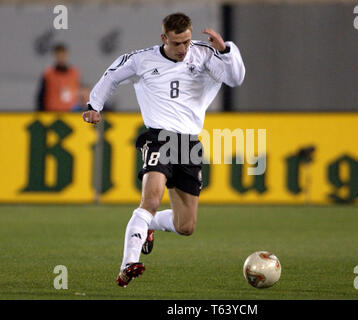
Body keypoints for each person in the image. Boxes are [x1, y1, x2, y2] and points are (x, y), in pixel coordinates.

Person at [82, 12, 245, 287]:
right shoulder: (142, 59)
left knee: (186, 226)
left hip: (190, 144)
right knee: (151, 199)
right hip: (158, 138)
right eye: (177, 43)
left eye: (187, 42)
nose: (183, 49)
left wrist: (226, 50)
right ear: (164, 38)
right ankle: (128, 264)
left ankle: (149, 226)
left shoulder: (204, 55)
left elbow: (235, 78)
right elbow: (112, 75)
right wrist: (93, 106)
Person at [36, 43, 80, 111]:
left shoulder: (74, 73)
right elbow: (41, 96)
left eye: (63, 54)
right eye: (59, 55)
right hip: (52, 112)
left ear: (66, 55)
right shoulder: (48, 74)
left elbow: (79, 93)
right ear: (55, 56)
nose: (61, 58)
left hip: (71, 113)